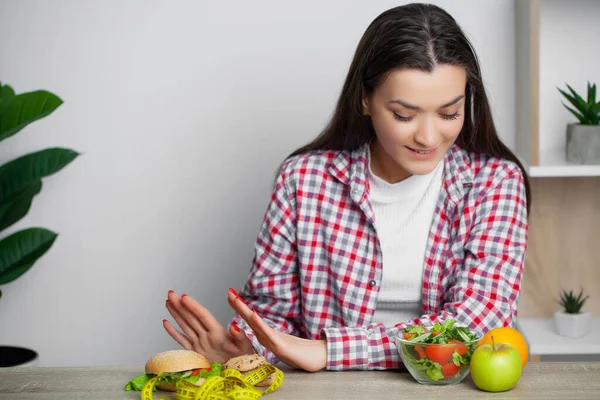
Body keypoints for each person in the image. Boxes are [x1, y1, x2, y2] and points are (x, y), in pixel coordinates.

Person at [163, 3, 530, 373]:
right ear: (365, 100)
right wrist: (248, 347)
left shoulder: (495, 183)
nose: (429, 136)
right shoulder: (303, 180)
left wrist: (328, 351)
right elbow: (274, 319)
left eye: (449, 113)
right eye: (405, 115)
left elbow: (478, 320)